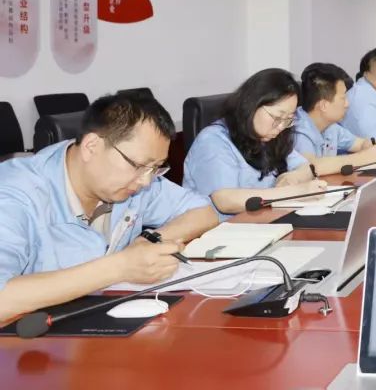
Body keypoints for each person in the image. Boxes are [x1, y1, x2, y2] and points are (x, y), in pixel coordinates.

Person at [0, 93, 218, 323]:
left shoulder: (131, 183)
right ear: (91, 146)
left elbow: (204, 212)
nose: (146, 181)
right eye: (139, 165)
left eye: (155, 168)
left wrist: (149, 240)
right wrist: (121, 266)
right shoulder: (14, 195)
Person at [184, 68, 329, 217]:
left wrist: (292, 178)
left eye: (288, 119)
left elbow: (306, 167)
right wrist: (293, 192)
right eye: (277, 117)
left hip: (264, 221)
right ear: (252, 105)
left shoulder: (270, 137)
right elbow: (225, 200)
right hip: (225, 228)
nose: (281, 126)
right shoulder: (213, 140)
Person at [295, 63, 376, 170]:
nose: (347, 104)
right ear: (324, 105)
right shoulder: (299, 130)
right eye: (343, 98)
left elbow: (361, 144)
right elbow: (310, 167)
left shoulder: (330, 127)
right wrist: (361, 158)